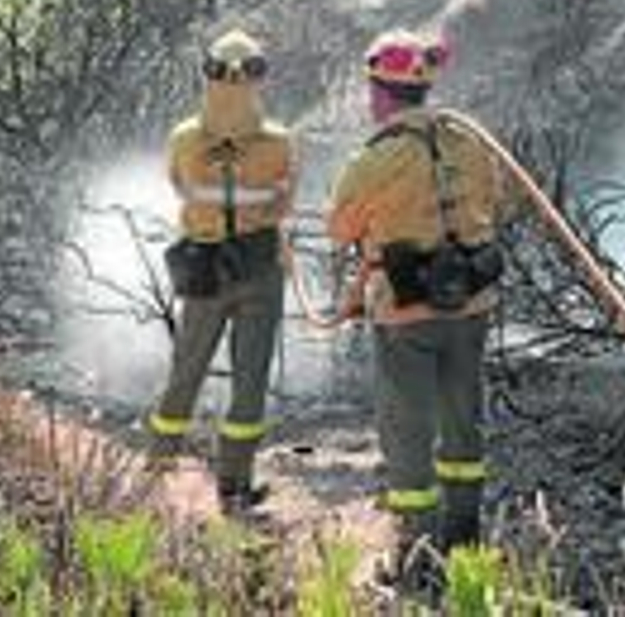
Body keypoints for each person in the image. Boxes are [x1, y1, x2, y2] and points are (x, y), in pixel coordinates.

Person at [326, 29, 513, 576]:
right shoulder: (471, 140)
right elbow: (497, 201)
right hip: (472, 303)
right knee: (463, 422)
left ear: (380, 93)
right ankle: (465, 541)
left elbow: (340, 228)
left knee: (408, 431)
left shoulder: (378, 156)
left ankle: (418, 554)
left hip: (406, 311)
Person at [147, 28, 296, 514]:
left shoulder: (185, 138)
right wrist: (255, 201)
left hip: (205, 266)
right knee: (249, 379)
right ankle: (234, 486)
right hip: (258, 266)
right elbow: (283, 202)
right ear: (259, 79)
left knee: (186, 368)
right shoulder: (279, 143)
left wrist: (216, 197)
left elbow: (180, 185)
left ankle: (157, 469)